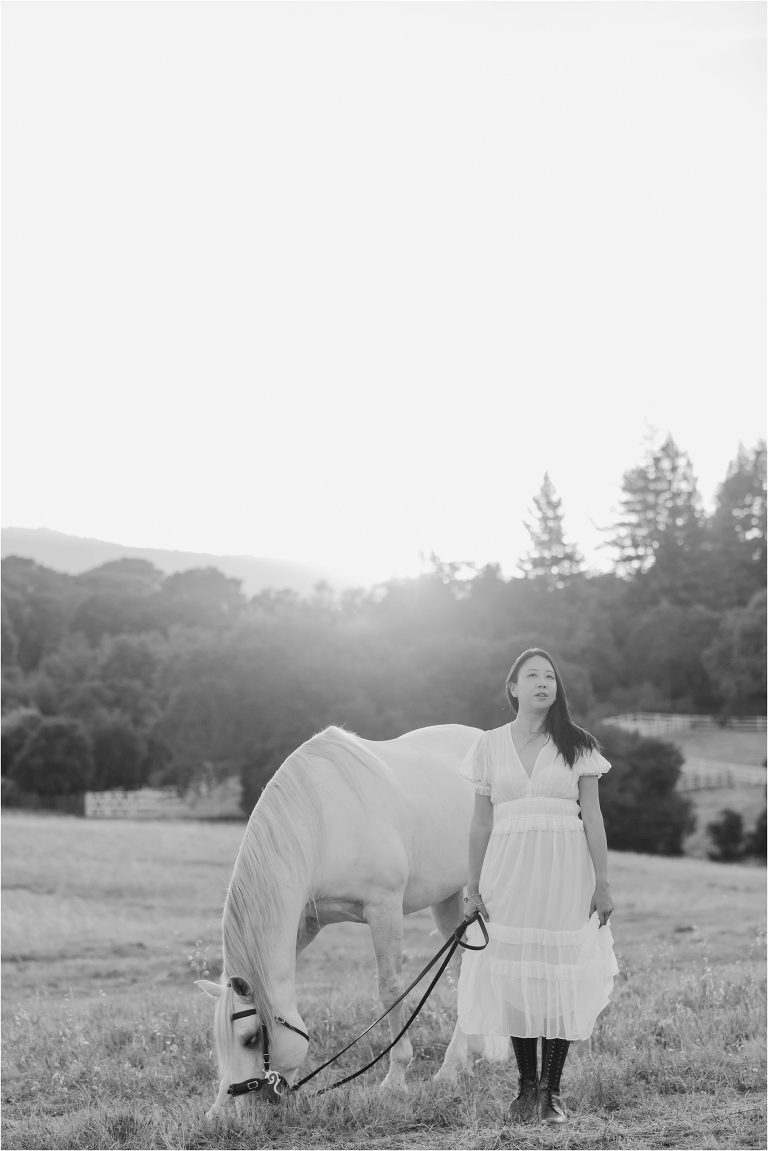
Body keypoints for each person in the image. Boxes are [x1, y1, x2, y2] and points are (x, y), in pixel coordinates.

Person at [457, 647, 618, 1125]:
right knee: (517, 974)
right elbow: (480, 824)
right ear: (514, 687)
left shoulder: (579, 743)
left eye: (550, 676)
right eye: (532, 675)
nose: (543, 682)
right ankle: (525, 1088)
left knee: (559, 971)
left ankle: (552, 1092)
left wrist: (603, 881)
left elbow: (593, 816)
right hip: (507, 872)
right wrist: (472, 886)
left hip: (566, 871)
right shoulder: (487, 745)